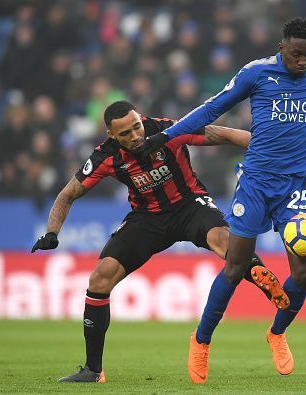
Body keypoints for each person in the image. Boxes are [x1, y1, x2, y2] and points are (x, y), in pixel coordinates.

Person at [141, 18, 306, 383]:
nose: (303, 61)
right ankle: (201, 341)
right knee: (235, 267)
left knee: (304, 270)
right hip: (257, 183)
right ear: (281, 48)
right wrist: (168, 136)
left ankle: (277, 333)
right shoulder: (256, 74)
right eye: (297, 54)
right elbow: (212, 108)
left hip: (298, 182)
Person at [31, 100, 288, 383]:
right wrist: (52, 232)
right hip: (147, 218)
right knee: (99, 279)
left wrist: (269, 150)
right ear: (111, 135)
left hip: (190, 206)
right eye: (126, 133)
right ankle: (93, 370)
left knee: (222, 239)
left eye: (137, 127)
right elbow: (68, 193)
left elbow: (221, 134)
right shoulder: (105, 156)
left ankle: (264, 281)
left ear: (141, 119)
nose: (136, 135)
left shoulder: (167, 130)